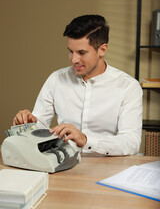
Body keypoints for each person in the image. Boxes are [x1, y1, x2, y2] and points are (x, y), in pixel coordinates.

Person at [13, 14, 143, 156]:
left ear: (102, 50)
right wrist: (27, 125)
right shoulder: (56, 79)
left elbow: (131, 142)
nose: (74, 59)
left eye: (82, 52)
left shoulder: (128, 87)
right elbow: (40, 127)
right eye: (70, 51)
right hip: (65, 165)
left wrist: (86, 140)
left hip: (109, 167)